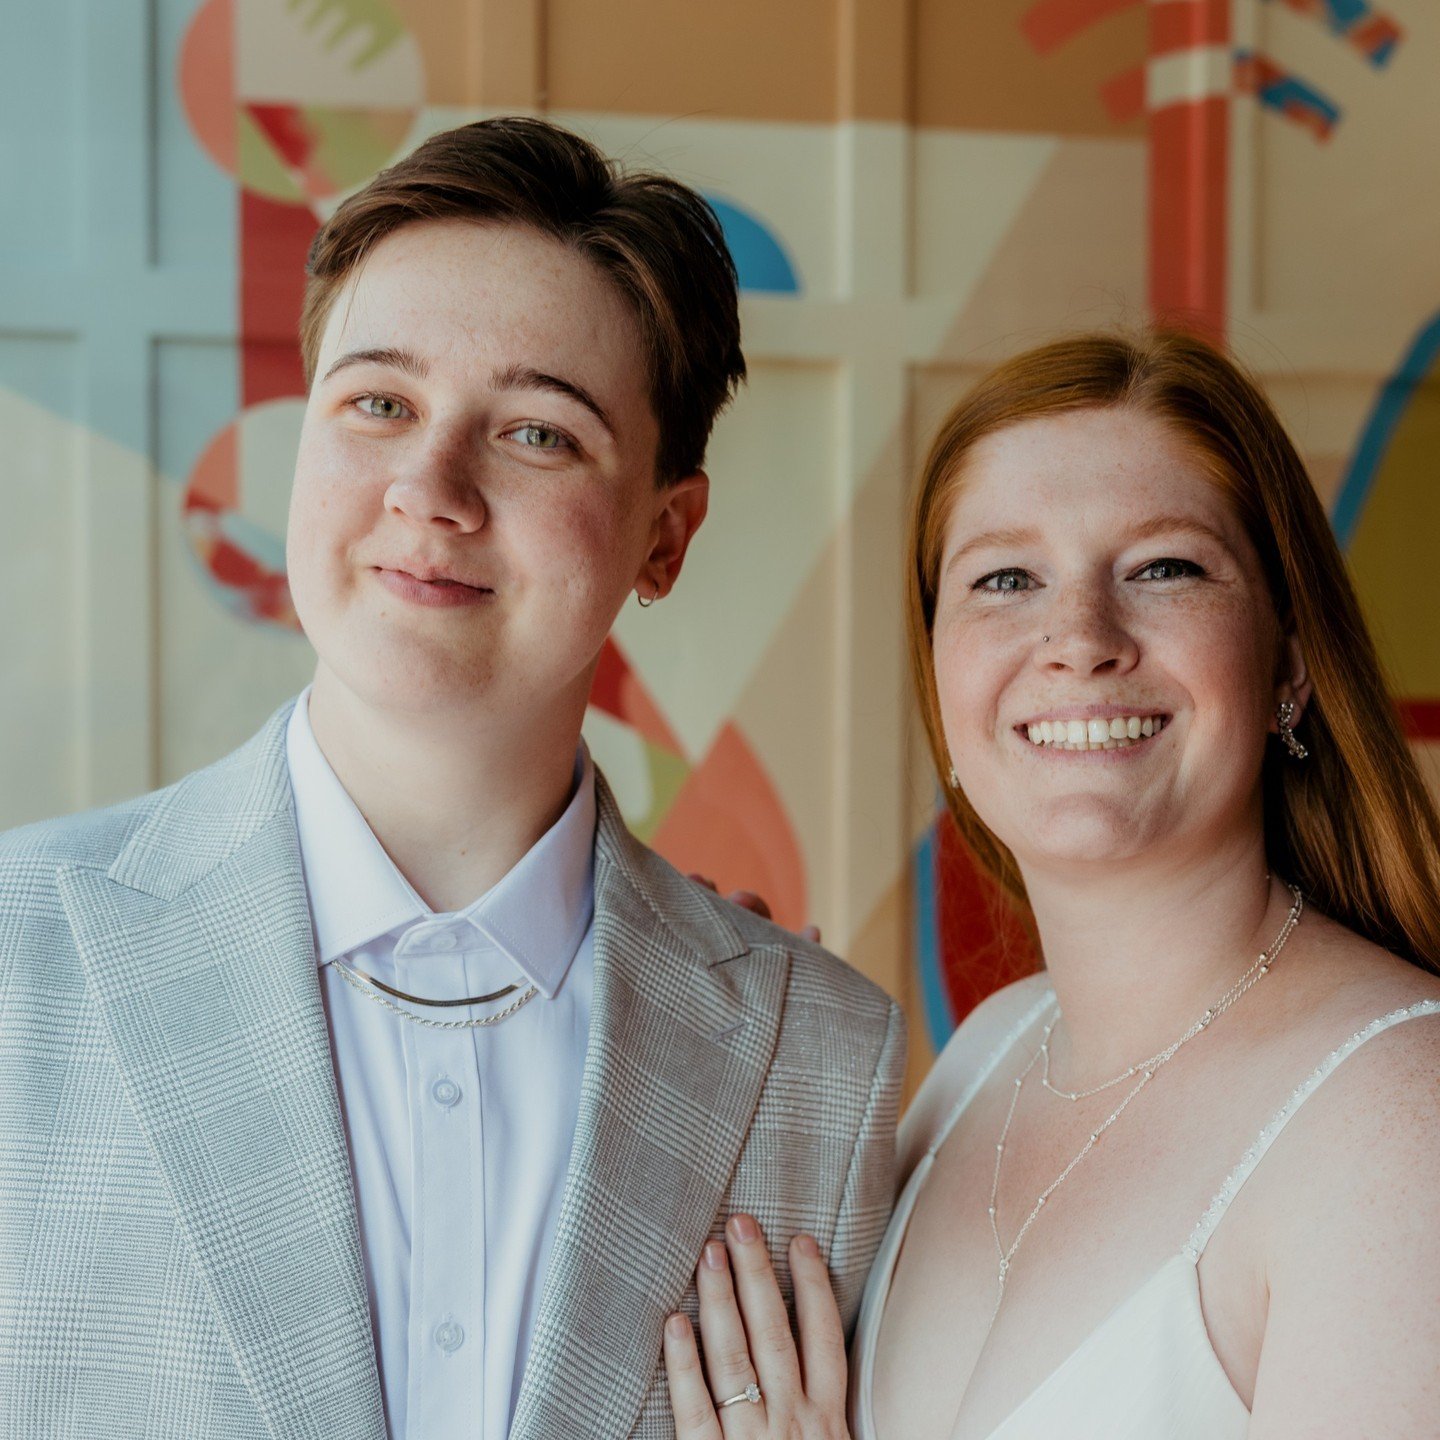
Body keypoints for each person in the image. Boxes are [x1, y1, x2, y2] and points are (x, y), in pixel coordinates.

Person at [0, 118, 904, 1440]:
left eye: (537, 433)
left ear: (665, 533)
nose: (431, 488)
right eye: (378, 404)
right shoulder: (18, 958)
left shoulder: (819, 1055)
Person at [662, 330, 1440, 1439]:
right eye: (1005, 579)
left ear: (1288, 660)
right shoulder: (985, 1054)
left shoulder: (1406, 1124)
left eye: (1163, 568)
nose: (1079, 640)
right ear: (942, 679)